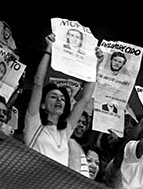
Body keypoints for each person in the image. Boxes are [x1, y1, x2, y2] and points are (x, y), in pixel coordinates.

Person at [24, 33, 97, 168]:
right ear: (43, 104)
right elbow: (38, 83)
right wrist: (49, 49)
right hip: (32, 184)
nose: (59, 100)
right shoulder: (34, 123)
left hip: (56, 188)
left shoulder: (65, 131)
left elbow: (85, 99)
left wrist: (95, 63)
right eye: (53, 96)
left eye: (63, 98)